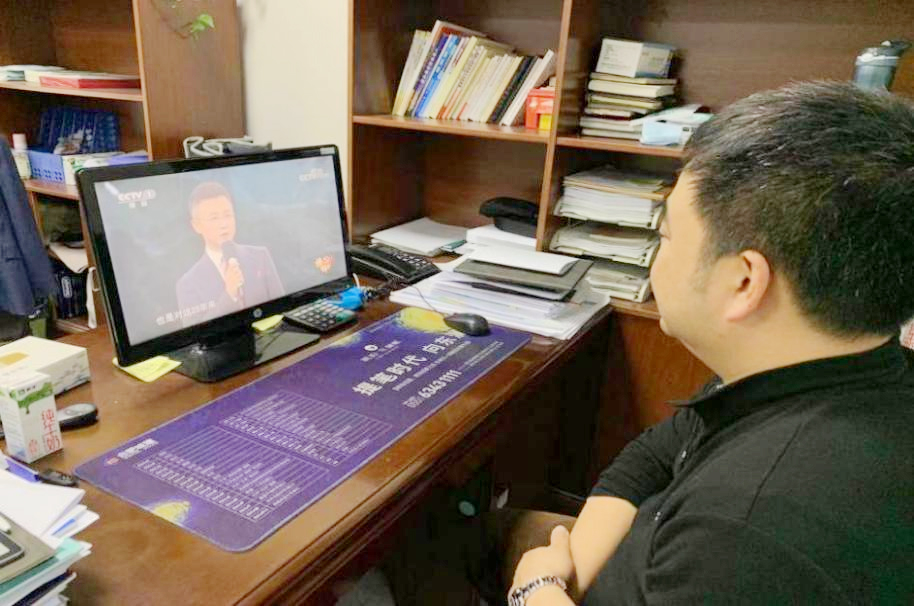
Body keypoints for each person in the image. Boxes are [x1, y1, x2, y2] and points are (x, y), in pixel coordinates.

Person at [503, 80, 914, 605]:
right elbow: (655, 453)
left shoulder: (746, 536)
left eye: (665, 236)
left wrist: (536, 588)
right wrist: (574, 574)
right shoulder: (822, 365)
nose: (657, 257)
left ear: (743, 282)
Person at [175, 181, 284, 326]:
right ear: (196, 225)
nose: (224, 224)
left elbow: (283, 307)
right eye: (214, 218)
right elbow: (196, 334)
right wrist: (229, 294)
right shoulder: (187, 284)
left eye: (227, 215)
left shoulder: (260, 256)